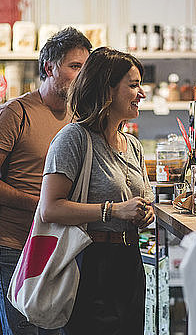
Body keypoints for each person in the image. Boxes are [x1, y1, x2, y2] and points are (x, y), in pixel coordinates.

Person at [0, 27, 92, 334]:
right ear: (49, 67)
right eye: (74, 66)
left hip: (63, 246)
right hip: (16, 245)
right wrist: (40, 205)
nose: (81, 75)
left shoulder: (79, 117)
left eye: (85, 69)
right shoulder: (14, 113)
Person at [39, 47, 155, 334]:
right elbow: (50, 207)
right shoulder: (73, 138)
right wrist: (113, 210)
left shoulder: (132, 145)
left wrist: (145, 213)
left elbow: (142, 200)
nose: (142, 94)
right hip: (90, 263)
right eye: (134, 85)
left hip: (130, 261)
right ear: (107, 89)